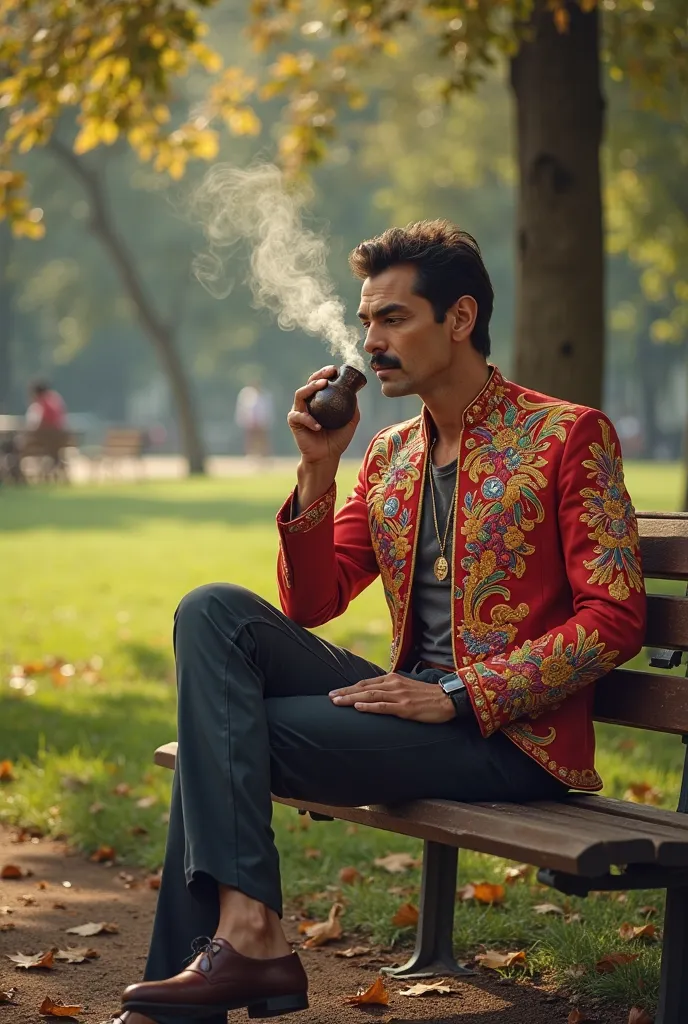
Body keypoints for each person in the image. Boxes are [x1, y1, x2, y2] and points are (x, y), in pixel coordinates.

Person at [114, 221, 646, 1024]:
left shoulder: (566, 436)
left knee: (223, 735)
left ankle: (219, 972)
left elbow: (615, 618)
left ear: (459, 319)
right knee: (212, 609)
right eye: (367, 321)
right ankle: (248, 934)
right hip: (409, 704)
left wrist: (462, 694)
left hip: (510, 737)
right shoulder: (392, 453)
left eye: (393, 319)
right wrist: (318, 468)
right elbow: (312, 605)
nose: (372, 341)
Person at [235, 382, 273, 459]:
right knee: (250, 440)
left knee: (262, 440)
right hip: (250, 423)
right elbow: (244, 410)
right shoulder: (247, 395)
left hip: (261, 423)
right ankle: (250, 455)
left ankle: (264, 455)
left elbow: (267, 410)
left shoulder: (265, 396)